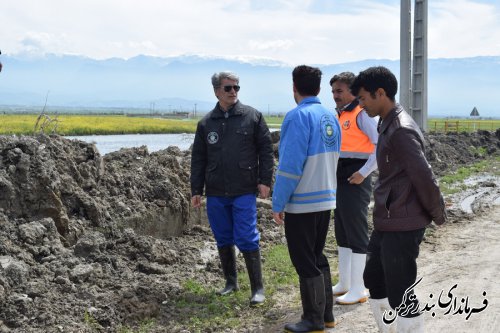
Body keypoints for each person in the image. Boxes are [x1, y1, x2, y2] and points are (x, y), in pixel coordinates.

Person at [350, 66, 447, 333]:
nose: (361, 105)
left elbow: (423, 176)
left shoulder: (400, 130)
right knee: (374, 279)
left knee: (401, 292)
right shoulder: (387, 123)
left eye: (363, 99)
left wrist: (437, 213)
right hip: (389, 219)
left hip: (404, 222)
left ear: (380, 93)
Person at [190, 71, 274, 306]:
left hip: (244, 188)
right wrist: (196, 189)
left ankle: (258, 288)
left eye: (237, 87)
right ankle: (231, 282)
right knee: (223, 236)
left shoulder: (252, 117)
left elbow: (266, 151)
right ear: (217, 91)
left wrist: (265, 180)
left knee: (247, 236)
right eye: (228, 88)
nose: (233, 92)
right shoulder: (206, 123)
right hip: (216, 190)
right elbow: (198, 158)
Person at [272, 65, 341, 332]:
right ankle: (327, 315)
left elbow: (289, 167)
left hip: (303, 201)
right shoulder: (329, 116)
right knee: (317, 255)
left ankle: (312, 319)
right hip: (326, 197)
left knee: (304, 260)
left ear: (294, 88)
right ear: (319, 88)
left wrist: (279, 203)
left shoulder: (297, 117)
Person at [329, 72, 378, 305]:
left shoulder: (362, 115)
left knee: (356, 231)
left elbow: (381, 145)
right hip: (340, 176)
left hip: (355, 177)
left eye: (339, 91)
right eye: (333, 91)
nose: (335, 95)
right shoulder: (339, 115)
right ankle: (345, 283)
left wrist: (363, 173)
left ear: (351, 91)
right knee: (342, 230)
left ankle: (359, 288)